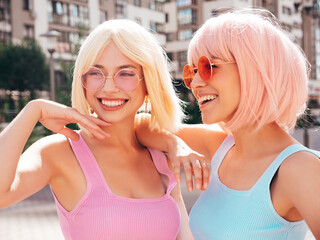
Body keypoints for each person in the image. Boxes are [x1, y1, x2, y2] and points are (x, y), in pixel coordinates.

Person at [0, 19, 193, 240]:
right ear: (82, 81)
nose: (109, 87)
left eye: (126, 73)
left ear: (149, 83)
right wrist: (32, 111)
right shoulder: (60, 152)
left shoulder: (160, 158)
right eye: (95, 73)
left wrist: (174, 144)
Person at [136, 9, 320, 239]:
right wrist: (176, 146)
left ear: (253, 69)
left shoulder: (300, 168)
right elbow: (139, 126)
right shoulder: (222, 145)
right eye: (190, 72)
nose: (194, 83)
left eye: (208, 67)